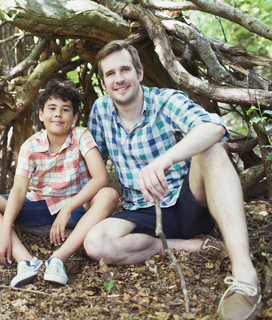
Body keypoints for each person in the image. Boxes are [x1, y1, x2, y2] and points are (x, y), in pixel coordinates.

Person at [84, 40, 261, 320]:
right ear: (103, 81)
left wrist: (165, 160)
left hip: (187, 201)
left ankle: (245, 278)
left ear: (139, 72)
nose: (119, 79)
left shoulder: (165, 100)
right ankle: (186, 246)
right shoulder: (101, 112)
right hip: (141, 211)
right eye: (110, 73)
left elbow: (215, 127)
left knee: (212, 149)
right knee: (95, 243)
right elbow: (90, 165)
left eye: (125, 70)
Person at [0, 80, 119, 288]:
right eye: (52, 108)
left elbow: (101, 178)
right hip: (39, 205)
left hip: (78, 206)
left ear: (75, 117)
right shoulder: (31, 146)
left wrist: (68, 208)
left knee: (109, 194)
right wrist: (4, 232)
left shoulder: (81, 136)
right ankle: (25, 261)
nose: (58, 114)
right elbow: (18, 189)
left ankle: (58, 259)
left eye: (65, 109)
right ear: (41, 115)